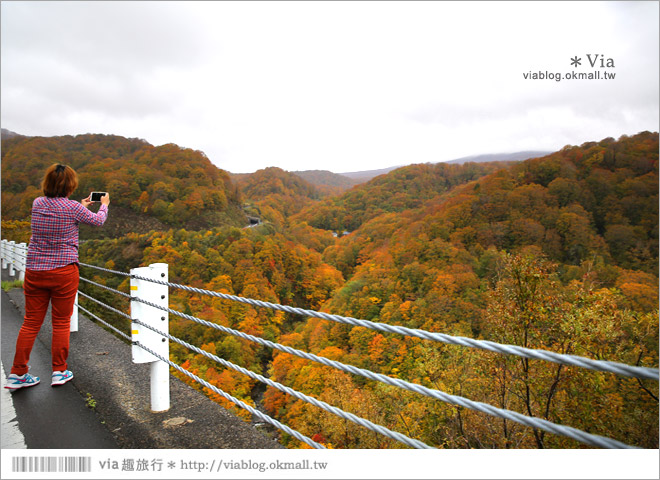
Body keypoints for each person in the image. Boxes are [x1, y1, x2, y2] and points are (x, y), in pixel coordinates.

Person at [5, 164, 110, 390]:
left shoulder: (37, 203)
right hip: (63, 271)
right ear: (71, 186)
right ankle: (59, 371)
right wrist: (104, 206)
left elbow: (58, 211)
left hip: (35, 270)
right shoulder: (73, 208)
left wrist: (79, 206)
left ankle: (17, 373)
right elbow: (98, 221)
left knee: (31, 322)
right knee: (61, 322)